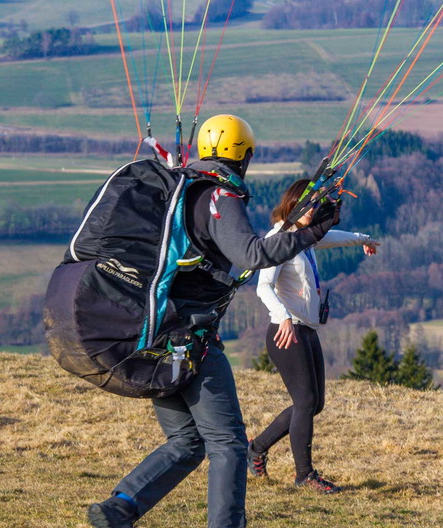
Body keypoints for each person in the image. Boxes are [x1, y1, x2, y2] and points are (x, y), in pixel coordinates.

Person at [87, 115, 341, 528]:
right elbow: (253, 255)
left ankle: (121, 505)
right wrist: (309, 234)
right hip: (190, 339)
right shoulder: (219, 196)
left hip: (152, 335)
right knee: (228, 444)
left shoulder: (180, 189)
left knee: (187, 441)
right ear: (243, 156)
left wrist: (304, 226)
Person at [246, 178, 379, 494]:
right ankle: (304, 475)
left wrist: (363, 239)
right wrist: (283, 318)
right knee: (305, 401)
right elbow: (263, 285)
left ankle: (255, 448)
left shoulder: (302, 237)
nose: (312, 211)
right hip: (285, 331)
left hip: (306, 329)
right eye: (306, 204)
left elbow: (329, 236)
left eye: (316, 206)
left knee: (313, 403)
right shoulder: (278, 238)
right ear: (292, 201)